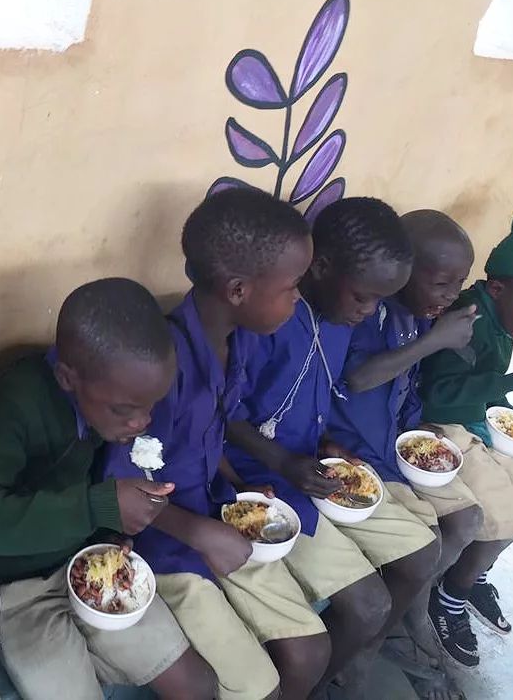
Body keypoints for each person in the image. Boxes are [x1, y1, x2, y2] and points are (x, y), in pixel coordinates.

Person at [101, 188, 331, 700]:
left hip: (216, 513)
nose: (298, 297)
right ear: (238, 291)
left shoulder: (239, 340)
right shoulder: (159, 368)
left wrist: (238, 482)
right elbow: (120, 486)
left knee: (312, 650)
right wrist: (200, 533)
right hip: (163, 543)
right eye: (292, 286)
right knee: (258, 686)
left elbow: (208, 434)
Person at [0, 278, 215, 700]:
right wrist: (97, 508)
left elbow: (87, 484)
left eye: (150, 406)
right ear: (66, 377)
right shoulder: (13, 404)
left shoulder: (104, 405)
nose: (141, 422)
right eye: (126, 410)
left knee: (196, 684)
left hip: (83, 561)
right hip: (15, 586)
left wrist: (107, 530)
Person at [225, 198, 441, 694]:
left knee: (418, 559)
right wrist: (284, 461)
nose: (369, 312)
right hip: (259, 482)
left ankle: (338, 675)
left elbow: (308, 396)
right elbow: (227, 416)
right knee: (367, 605)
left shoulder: (339, 319)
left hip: (308, 469)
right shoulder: (268, 320)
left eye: (379, 302)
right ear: (320, 267)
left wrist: (327, 441)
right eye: (364, 298)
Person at [420, 205, 513, 669]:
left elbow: (481, 389)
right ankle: (449, 595)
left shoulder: (500, 320)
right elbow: (438, 394)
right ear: (497, 288)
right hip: (441, 424)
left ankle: (474, 572)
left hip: (473, 421)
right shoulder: (471, 323)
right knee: (505, 516)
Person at [329, 210, 483, 577]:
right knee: (426, 541)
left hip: (390, 447)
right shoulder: (364, 313)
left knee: (465, 520)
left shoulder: (417, 315)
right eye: (441, 283)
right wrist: (435, 341)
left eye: (459, 284)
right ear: (401, 273)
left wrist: (416, 425)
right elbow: (358, 379)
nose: (451, 296)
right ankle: (406, 622)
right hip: (354, 450)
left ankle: (419, 612)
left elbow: (406, 383)